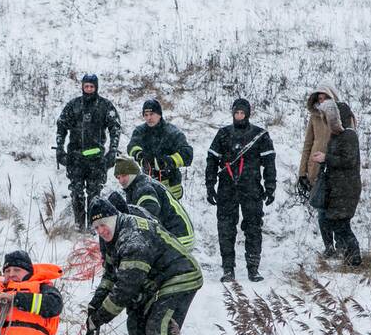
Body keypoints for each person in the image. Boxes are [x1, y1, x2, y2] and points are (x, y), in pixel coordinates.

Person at [86, 198, 202, 335]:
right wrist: (95, 304)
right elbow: (111, 276)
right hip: (155, 280)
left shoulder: (133, 237)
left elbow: (125, 289)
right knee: (136, 323)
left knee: (158, 325)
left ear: (115, 217)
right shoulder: (111, 238)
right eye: (96, 227)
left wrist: (100, 317)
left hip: (180, 276)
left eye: (103, 224)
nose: (101, 230)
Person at [204, 98, 277, 283]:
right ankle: (228, 269)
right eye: (236, 113)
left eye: (242, 113)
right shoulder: (223, 134)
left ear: (247, 114)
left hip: (251, 188)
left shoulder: (260, 135)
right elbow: (211, 160)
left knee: (253, 228)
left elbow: (269, 163)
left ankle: (253, 268)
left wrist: (270, 186)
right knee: (226, 229)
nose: (239, 116)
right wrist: (210, 184)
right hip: (227, 188)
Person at [55, 73, 122, 229]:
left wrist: (113, 150)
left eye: (92, 86)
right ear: (82, 87)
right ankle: (79, 226)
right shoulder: (73, 105)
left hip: (96, 160)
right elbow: (61, 126)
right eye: (86, 86)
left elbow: (115, 128)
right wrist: (59, 148)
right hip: (75, 158)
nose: (89, 89)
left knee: (94, 195)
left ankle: (94, 228)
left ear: (96, 87)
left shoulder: (105, 106)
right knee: (76, 193)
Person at [298, 84, 357, 257]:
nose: (322, 101)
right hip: (317, 168)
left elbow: (350, 146)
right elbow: (308, 144)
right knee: (322, 211)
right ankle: (329, 247)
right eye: (319, 99)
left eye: (325, 98)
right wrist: (302, 172)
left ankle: (342, 246)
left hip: (337, 170)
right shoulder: (314, 118)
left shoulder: (344, 117)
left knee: (338, 212)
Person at [311, 100, 362, 266]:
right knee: (337, 222)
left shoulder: (349, 135)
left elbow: (348, 161)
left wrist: (326, 158)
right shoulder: (338, 136)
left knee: (341, 224)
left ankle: (354, 258)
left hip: (346, 189)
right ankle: (349, 258)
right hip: (337, 188)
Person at [112, 155, 195, 249]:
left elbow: (149, 212)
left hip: (178, 236)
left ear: (133, 173)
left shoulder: (143, 187)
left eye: (124, 176)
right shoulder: (136, 186)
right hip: (179, 233)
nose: (121, 181)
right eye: (118, 178)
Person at [127, 98, 193, 202]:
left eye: (152, 114)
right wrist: (140, 156)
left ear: (160, 114)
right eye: (146, 115)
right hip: (148, 182)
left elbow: (188, 154)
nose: (149, 118)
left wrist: (167, 162)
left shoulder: (172, 132)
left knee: (170, 215)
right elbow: (132, 146)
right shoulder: (140, 131)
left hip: (171, 185)